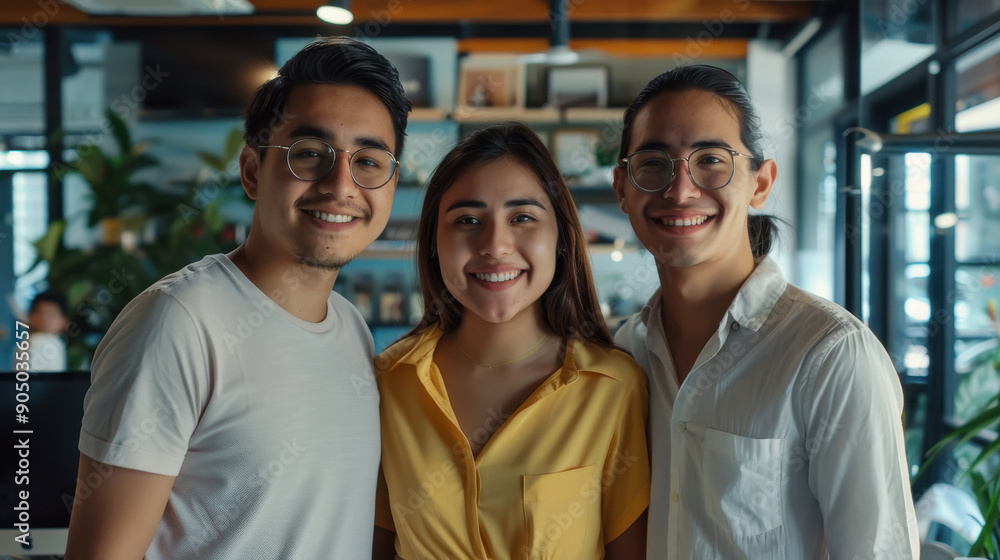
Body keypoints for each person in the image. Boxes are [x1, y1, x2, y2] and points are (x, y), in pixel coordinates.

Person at [64, 36, 410, 560]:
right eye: (309, 155)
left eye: (368, 161)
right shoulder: (178, 323)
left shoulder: (350, 326)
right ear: (251, 171)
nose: (341, 184)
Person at [611, 64, 920, 558]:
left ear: (761, 182)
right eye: (653, 163)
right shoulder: (622, 354)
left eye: (711, 159)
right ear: (622, 188)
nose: (680, 189)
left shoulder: (830, 354)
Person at [372, 122, 650, 560]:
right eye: (467, 220)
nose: (495, 245)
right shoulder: (388, 382)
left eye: (522, 218)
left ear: (559, 237)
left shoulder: (614, 388)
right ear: (433, 243)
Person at [25, 290, 70, 371]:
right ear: (29, 315)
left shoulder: (55, 342)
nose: (44, 318)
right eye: (39, 312)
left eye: (51, 314)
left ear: (64, 322)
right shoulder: (36, 340)